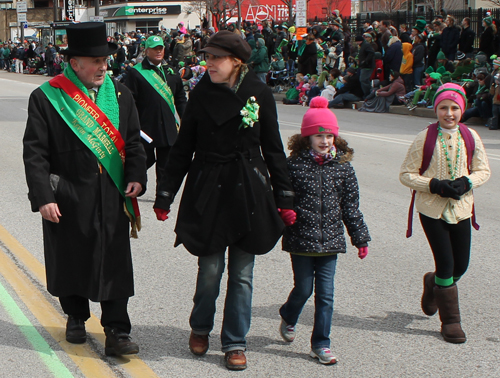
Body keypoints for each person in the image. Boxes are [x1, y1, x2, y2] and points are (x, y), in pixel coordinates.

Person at [152, 31, 295, 371]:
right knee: (211, 270)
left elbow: (274, 149)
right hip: (209, 189)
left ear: (236, 62)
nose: (209, 63)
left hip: (249, 191)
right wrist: (166, 193)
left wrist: (284, 196)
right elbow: (183, 147)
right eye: (208, 57)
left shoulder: (259, 93)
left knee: (243, 275)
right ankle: (200, 327)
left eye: (216, 58)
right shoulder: (201, 93)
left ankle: (234, 341)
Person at [23, 22, 147, 356]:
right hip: (69, 194)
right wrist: (44, 197)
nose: (103, 65)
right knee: (71, 258)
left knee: (114, 262)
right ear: (75, 63)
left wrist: (136, 175)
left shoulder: (121, 94)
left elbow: (134, 143)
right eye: (95, 60)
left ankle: (117, 330)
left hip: (111, 194)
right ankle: (76, 316)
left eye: (105, 59)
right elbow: (35, 154)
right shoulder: (47, 98)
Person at [279, 96, 370, 364]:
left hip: (330, 241)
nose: (325, 140)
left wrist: (360, 238)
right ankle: (289, 314)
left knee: (326, 296)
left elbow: (351, 207)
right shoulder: (293, 165)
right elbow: (281, 196)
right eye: (319, 135)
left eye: (329, 135)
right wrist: (284, 211)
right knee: (304, 289)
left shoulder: (343, 168)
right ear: (307, 137)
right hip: (301, 239)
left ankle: (321, 343)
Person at [400, 83, 490, 344]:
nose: (448, 113)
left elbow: (483, 170)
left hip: (461, 209)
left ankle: (433, 284)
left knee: (461, 265)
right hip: (432, 210)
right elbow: (406, 174)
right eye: (442, 108)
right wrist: (434, 185)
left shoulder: (471, 136)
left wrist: (467, 182)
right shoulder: (424, 137)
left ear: (461, 109)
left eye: (454, 108)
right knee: (446, 264)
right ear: (436, 109)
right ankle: (451, 322)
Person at [125, 35, 186, 190]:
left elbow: (180, 99)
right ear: (146, 51)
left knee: (166, 165)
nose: (158, 52)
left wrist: (185, 120)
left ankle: (162, 195)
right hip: (146, 127)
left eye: (160, 48)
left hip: (167, 127)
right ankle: (132, 184)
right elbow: (129, 101)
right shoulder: (136, 73)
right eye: (154, 49)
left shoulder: (171, 72)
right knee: (144, 160)